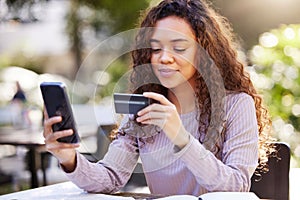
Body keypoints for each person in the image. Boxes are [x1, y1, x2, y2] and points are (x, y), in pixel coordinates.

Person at [43, 0, 274, 196]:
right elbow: (110, 178)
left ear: (205, 53)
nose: (164, 58)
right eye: (155, 49)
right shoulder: (143, 106)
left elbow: (237, 187)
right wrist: (69, 158)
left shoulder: (236, 105)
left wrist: (180, 136)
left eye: (179, 48)